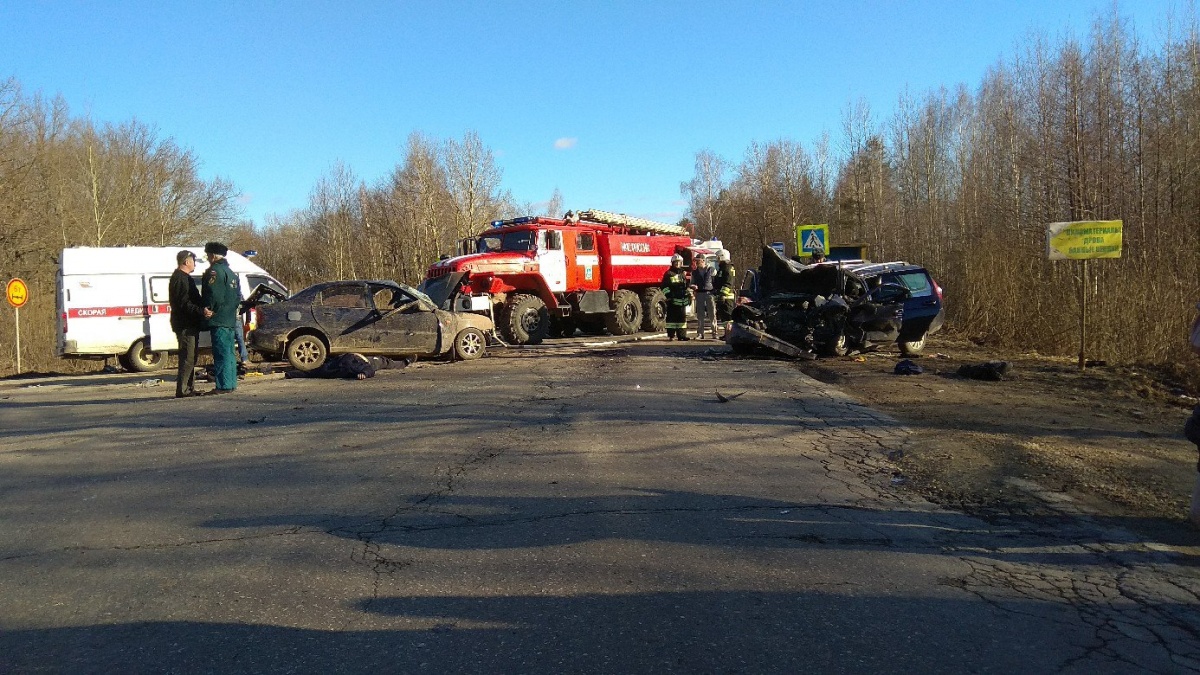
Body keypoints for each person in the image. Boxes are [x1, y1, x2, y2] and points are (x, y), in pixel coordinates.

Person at [168, 250, 211, 398]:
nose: (195, 263)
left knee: (191, 356)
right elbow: (184, 303)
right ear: (186, 262)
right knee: (188, 357)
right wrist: (201, 311)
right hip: (185, 324)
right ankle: (183, 389)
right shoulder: (180, 279)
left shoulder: (186, 278)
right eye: (193, 260)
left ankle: (189, 388)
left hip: (190, 323)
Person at [201, 242, 239, 394]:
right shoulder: (231, 273)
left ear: (213, 255)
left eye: (208, 255)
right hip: (230, 319)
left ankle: (223, 385)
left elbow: (214, 294)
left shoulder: (215, 271)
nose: (208, 258)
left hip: (219, 319)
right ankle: (230, 383)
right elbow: (237, 298)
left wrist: (210, 310)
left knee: (221, 352)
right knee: (229, 353)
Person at [285, 353, 411, 380]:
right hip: (363, 359)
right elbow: (369, 369)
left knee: (384, 361)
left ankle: (405, 362)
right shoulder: (354, 366)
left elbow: (311, 373)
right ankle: (405, 362)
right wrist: (365, 374)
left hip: (344, 359)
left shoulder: (330, 369)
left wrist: (290, 374)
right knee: (384, 361)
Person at [661, 254, 691, 341]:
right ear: (673, 263)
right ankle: (671, 335)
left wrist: (688, 294)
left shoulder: (682, 273)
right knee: (671, 319)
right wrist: (669, 296)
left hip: (682, 300)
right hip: (672, 300)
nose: (677, 264)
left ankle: (682, 335)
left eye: (679, 262)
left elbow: (685, 286)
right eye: (676, 262)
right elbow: (664, 287)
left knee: (682, 318)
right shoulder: (668, 274)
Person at [691, 256, 717, 339]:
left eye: (699, 261)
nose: (698, 263)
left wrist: (715, 292)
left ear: (704, 261)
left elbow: (716, 281)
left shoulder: (711, 270)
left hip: (710, 293)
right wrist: (693, 286)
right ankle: (700, 333)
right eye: (696, 261)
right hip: (699, 294)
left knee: (712, 313)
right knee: (700, 314)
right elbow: (691, 283)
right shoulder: (694, 272)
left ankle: (714, 333)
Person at [714, 250, 737, 338]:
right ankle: (727, 334)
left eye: (718, 257)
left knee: (728, 317)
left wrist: (723, 294)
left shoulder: (728, 268)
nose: (717, 260)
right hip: (722, 297)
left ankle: (730, 334)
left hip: (727, 297)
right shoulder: (722, 268)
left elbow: (728, 283)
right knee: (724, 317)